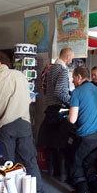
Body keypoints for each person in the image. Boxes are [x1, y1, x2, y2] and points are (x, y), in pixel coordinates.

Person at [0, 52, 44, 193]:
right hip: (25, 125)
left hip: (5, 128)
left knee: (7, 164)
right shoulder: (20, 76)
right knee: (30, 161)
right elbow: (28, 101)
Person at [66, 66, 97, 193]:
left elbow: (72, 119)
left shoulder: (77, 92)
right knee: (89, 163)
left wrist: (66, 116)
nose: (72, 81)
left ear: (79, 77)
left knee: (75, 161)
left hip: (86, 135)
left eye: (73, 78)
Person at [38, 47, 74, 180]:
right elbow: (60, 92)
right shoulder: (63, 71)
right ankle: (63, 175)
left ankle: (52, 172)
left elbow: (47, 90)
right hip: (60, 111)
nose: (72, 60)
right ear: (68, 56)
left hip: (50, 110)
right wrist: (72, 102)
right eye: (72, 58)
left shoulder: (50, 69)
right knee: (62, 144)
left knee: (50, 144)